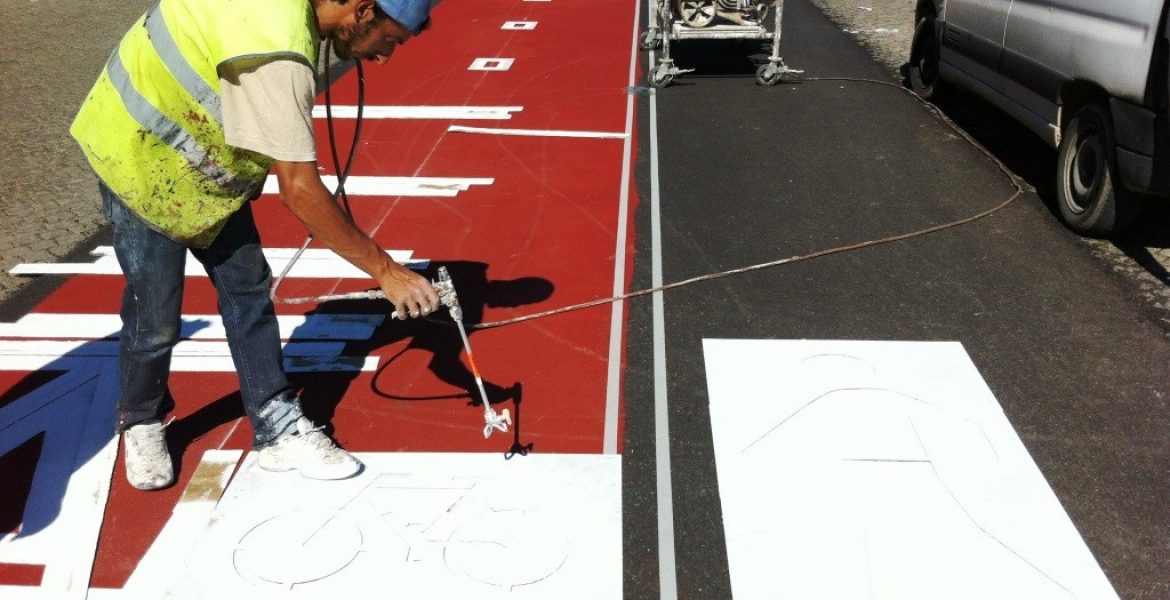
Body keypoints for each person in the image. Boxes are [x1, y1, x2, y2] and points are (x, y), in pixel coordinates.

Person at [70, 0, 441, 491]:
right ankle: (141, 418)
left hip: (199, 161)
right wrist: (387, 271)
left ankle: (275, 423)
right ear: (364, 11)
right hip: (141, 153)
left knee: (248, 291)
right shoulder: (281, 55)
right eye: (389, 40)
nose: (384, 57)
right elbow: (300, 190)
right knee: (155, 313)